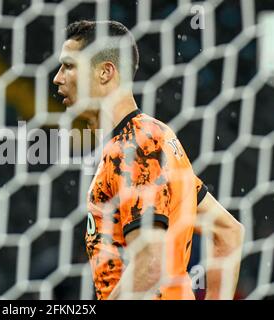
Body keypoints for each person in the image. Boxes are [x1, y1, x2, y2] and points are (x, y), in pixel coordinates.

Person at [53, 20, 245, 300]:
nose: (57, 78)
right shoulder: (152, 138)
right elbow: (227, 233)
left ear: (105, 72)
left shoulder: (136, 148)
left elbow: (151, 264)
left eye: (69, 66)